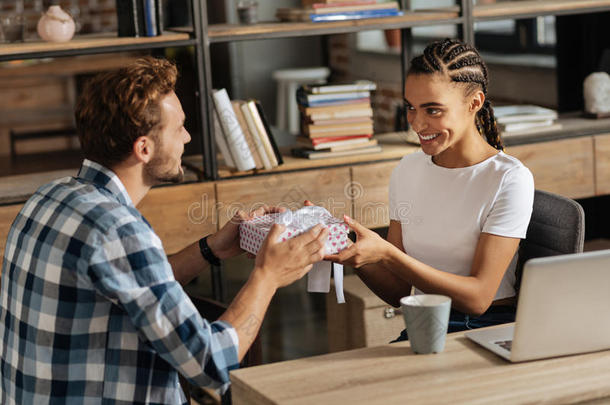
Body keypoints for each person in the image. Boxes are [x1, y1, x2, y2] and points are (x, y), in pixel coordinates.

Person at [0, 57, 328, 404]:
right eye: (179, 128)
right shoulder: (119, 231)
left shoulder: (48, 197)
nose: (187, 137)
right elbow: (211, 364)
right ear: (144, 149)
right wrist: (268, 275)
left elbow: (133, 285)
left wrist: (210, 248)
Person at [326, 38, 535, 338]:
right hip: (427, 323)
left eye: (433, 110)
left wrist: (387, 255)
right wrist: (346, 247)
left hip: (488, 327)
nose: (417, 123)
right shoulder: (407, 170)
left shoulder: (509, 179)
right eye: (411, 108)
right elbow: (398, 290)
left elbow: (478, 298)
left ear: (474, 103)